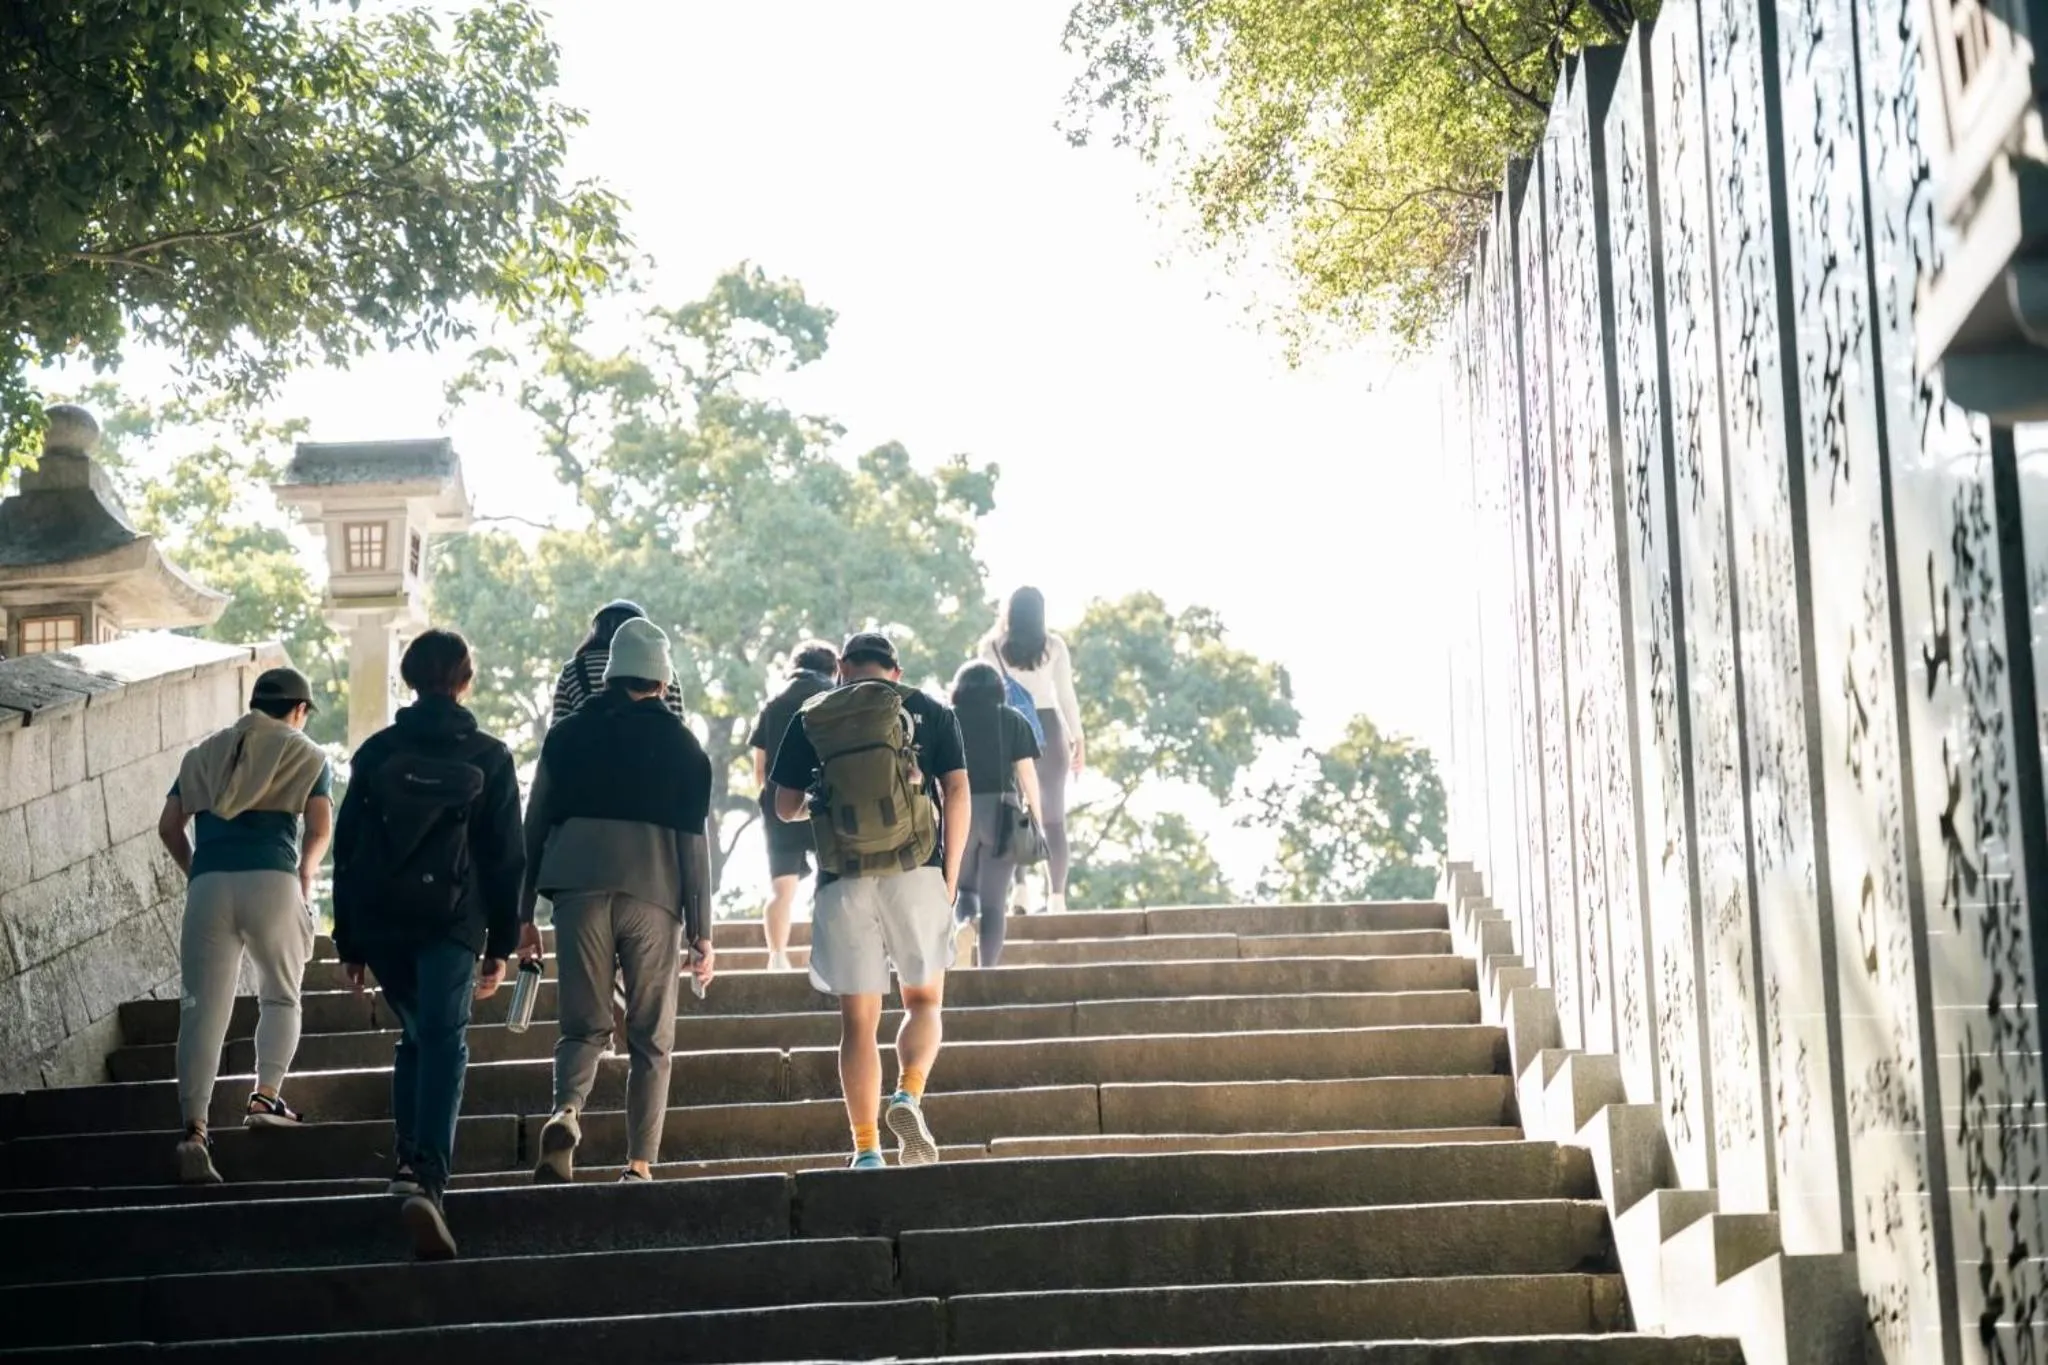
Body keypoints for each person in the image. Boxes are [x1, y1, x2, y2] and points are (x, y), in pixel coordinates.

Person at [332, 629, 524, 1260]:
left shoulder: (378, 751)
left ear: (409, 678)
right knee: (445, 1040)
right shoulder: (491, 756)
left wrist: (349, 939)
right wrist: (501, 940)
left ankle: (408, 1164)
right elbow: (504, 858)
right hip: (452, 922)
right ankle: (427, 1178)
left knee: (418, 1035)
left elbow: (351, 850)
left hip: (386, 921)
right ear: (465, 680)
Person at [522, 618, 715, 1184]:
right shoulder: (684, 748)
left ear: (610, 675)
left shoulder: (566, 736)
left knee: (583, 1025)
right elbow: (693, 848)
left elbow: (533, 828)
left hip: (577, 888)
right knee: (651, 1034)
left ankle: (566, 1111)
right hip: (653, 894)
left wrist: (520, 914)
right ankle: (637, 1163)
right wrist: (702, 931)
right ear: (662, 682)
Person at [770, 632, 971, 1169]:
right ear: (895, 673)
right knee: (923, 1002)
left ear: (842, 666)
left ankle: (865, 1150)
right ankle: (907, 1094)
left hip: (843, 877)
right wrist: (950, 878)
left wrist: (823, 798)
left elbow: (784, 807)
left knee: (857, 1024)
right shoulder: (928, 709)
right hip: (918, 871)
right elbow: (956, 791)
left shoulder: (812, 715)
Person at [156, 667, 334, 1185]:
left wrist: (200, 872)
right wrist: (303, 874)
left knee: (201, 1011)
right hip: (273, 881)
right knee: (280, 996)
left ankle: (194, 1131)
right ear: (299, 710)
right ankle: (266, 1097)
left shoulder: (203, 753)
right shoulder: (306, 754)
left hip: (210, 885)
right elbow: (320, 829)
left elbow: (169, 826)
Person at [980, 587, 1085, 913]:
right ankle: (1057, 898)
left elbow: (987, 699)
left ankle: (1021, 891)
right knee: (1053, 820)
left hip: (1007, 731)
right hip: (1050, 730)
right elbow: (1066, 696)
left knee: (1015, 814)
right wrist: (1078, 738)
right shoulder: (1054, 647)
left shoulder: (991, 648)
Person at [748, 640, 839, 971]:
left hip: (778, 801)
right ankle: (826, 956)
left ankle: (777, 957)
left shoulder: (774, 703)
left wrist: (771, 798)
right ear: (833, 668)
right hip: (823, 799)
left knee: (782, 888)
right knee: (829, 883)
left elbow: (760, 765)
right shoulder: (834, 696)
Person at [948, 661, 1043, 967]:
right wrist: (1036, 819)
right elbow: (1028, 776)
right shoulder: (1012, 720)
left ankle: (963, 926)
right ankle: (987, 970)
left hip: (959, 809)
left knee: (964, 890)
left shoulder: (947, 721)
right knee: (994, 904)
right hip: (1002, 814)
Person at [549, 599, 685, 726]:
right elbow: (677, 724)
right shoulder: (663, 670)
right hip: (653, 749)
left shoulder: (573, 670)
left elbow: (558, 726)